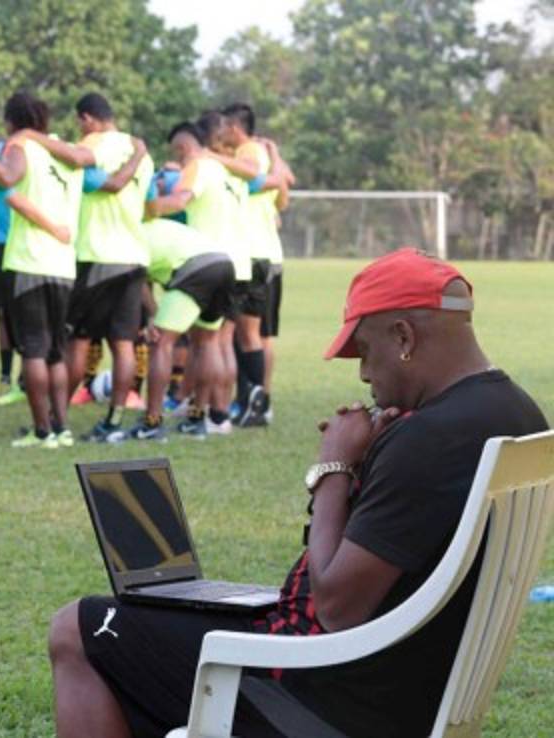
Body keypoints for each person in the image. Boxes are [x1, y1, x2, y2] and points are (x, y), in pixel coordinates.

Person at [47, 248, 548, 738]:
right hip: (407, 688)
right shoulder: (517, 414)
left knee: (75, 629)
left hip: (325, 697)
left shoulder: (429, 438)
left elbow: (335, 608)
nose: (364, 374)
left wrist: (333, 466)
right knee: (147, 616)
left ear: (402, 337)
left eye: (364, 352)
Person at [0, 92, 83, 449]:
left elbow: (6, 176)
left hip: (29, 261)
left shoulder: (19, 146)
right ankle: (62, 428)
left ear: (12, 121)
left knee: (33, 350)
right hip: (63, 262)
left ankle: (42, 431)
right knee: (56, 351)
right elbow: (84, 160)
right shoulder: (63, 148)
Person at [28, 92, 153, 442]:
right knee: (123, 343)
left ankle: (58, 420)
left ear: (87, 119)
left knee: (79, 341)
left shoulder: (99, 143)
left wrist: (35, 138)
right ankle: (113, 421)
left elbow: (96, 170)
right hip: (134, 255)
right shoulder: (142, 155)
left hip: (97, 254)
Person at [127, 216, 235, 442]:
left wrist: (152, 314)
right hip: (224, 264)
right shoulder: (158, 226)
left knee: (160, 343)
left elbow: (137, 280)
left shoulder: (131, 235)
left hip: (195, 268)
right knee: (207, 342)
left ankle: (152, 422)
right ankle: (196, 418)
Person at [223, 103, 292, 425]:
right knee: (262, 336)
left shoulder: (247, 153)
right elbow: (284, 191)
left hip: (251, 254)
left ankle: (252, 403)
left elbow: (267, 182)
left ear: (235, 127)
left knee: (245, 335)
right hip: (270, 253)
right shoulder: (265, 152)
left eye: (225, 126)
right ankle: (263, 399)